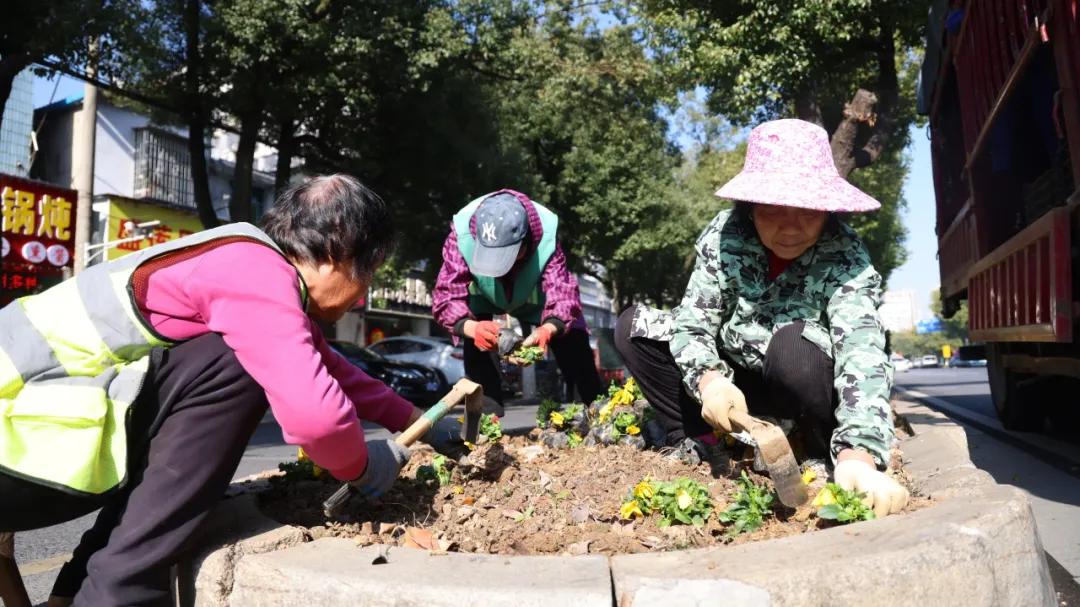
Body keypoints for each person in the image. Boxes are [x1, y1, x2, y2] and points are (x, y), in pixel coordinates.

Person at [0, 174, 463, 605]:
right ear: (338, 253)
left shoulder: (244, 266)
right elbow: (316, 419)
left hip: (28, 433)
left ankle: (79, 590)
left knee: (222, 364)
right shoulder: (253, 271)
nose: (361, 295)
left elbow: (332, 369)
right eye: (368, 274)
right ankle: (122, 590)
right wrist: (362, 464)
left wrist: (419, 423)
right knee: (232, 365)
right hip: (17, 442)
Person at [614, 119, 908, 518]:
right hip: (734, 382)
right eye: (772, 211)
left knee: (794, 348)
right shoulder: (724, 237)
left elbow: (863, 353)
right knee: (632, 326)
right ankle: (701, 439)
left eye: (806, 212)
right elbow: (693, 323)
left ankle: (819, 451)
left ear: (826, 210)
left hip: (798, 381)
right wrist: (710, 380)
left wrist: (860, 455)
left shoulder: (846, 257)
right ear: (750, 208)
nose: (789, 229)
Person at [432, 189, 603, 407]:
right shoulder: (462, 234)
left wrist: (549, 328)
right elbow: (447, 294)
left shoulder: (546, 237)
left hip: (537, 298)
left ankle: (595, 411)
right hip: (484, 295)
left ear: (526, 242)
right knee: (476, 346)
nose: (501, 268)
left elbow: (562, 293)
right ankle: (486, 420)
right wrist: (472, 328)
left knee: (576, 345)